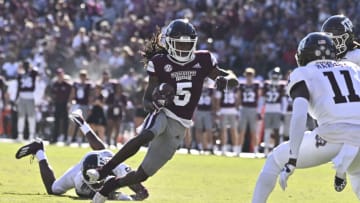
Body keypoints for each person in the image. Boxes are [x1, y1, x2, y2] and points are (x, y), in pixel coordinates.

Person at [86, 18, 239, 202]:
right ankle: (103, 171)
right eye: (179, 44)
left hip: (180, 124)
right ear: (169, 43)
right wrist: (157, 101)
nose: (183, 48)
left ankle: (112, 185)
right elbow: (146, 100)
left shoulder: (204, 59)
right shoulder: (159, 62)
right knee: (147, 134)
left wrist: (226, 80)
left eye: (186, 44)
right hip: (164, 113)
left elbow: (232, 77)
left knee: (142, 175)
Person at [252, 32, 360, 203]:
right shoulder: (353, 67)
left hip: (332, 137)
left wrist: (292, 158)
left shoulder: (304, 72)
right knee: (357, 175)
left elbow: (300, 115)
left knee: (275, 159)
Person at [15, 109, 148, 201]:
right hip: (86, 165)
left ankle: (81, 124)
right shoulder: (78, 178)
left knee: (104, 151)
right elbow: (95, 194)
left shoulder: (117, 166)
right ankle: (39, 151)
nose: (97, 186)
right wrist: (118, 196)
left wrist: (136, 194)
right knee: (53, 189)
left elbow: (142, 192)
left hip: (105, 159)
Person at [321, 14, 360, 191]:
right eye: (329, 40)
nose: (333, 45)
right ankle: (341, 168)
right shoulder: (329, 59)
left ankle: (341, 169)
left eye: (336, 40)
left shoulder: (356, 56)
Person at [257, 67, 287, 156]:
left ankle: (276, 151)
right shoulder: (266, 84)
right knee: (267, 131)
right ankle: (266, 150)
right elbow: (262, 99)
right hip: (268, 109)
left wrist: (283, 112)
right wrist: (259, 111)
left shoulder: (281, 86)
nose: (275, 77)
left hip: (277, 110)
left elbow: (284, 100)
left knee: (277, 132)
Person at [238, 67, 262, 154]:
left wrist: (258, 111)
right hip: (244, 108)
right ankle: (238, 149)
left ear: (253, 75)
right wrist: (239, 109)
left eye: (250, 75)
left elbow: (260, 98)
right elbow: (239, 98)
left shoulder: (256, 85)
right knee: (242, 130)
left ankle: (256, 150)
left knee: (254, 131)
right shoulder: (242, 85)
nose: (249, 77)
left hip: (253, 109)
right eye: (247, 75)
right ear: (245, 75)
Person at [215, 78, 240, 156]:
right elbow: (218, 101)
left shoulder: (235, 88)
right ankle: (223, 149)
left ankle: (235, 149)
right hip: (223, 110)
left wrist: (237, 111)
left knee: (233, 130)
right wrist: (218, 112)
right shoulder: (221, 87)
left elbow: (237, 100)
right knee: (223, 130)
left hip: (232, 110)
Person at [16, 60, 38, 142]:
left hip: (30, 96)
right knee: (21, 117)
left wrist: (30, 67)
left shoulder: (33, 73)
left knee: (31, 117)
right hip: (22, 96)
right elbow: (18, 87)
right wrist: (16, 98)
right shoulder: (20, 75)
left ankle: (31, 135)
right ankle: (20, 135)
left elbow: (36, 71)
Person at [50, 68, 72, 143]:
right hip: (57, 104)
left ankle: (66, 137)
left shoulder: (67, 85)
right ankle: (54, 138)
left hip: (65, 104)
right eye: (58, 74)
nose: (59, 76)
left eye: (61, 74)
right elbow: (52, 94)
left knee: (65, 121)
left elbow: (71, 95)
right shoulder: (55, 84)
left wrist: (69, 103)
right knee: (56, 121)